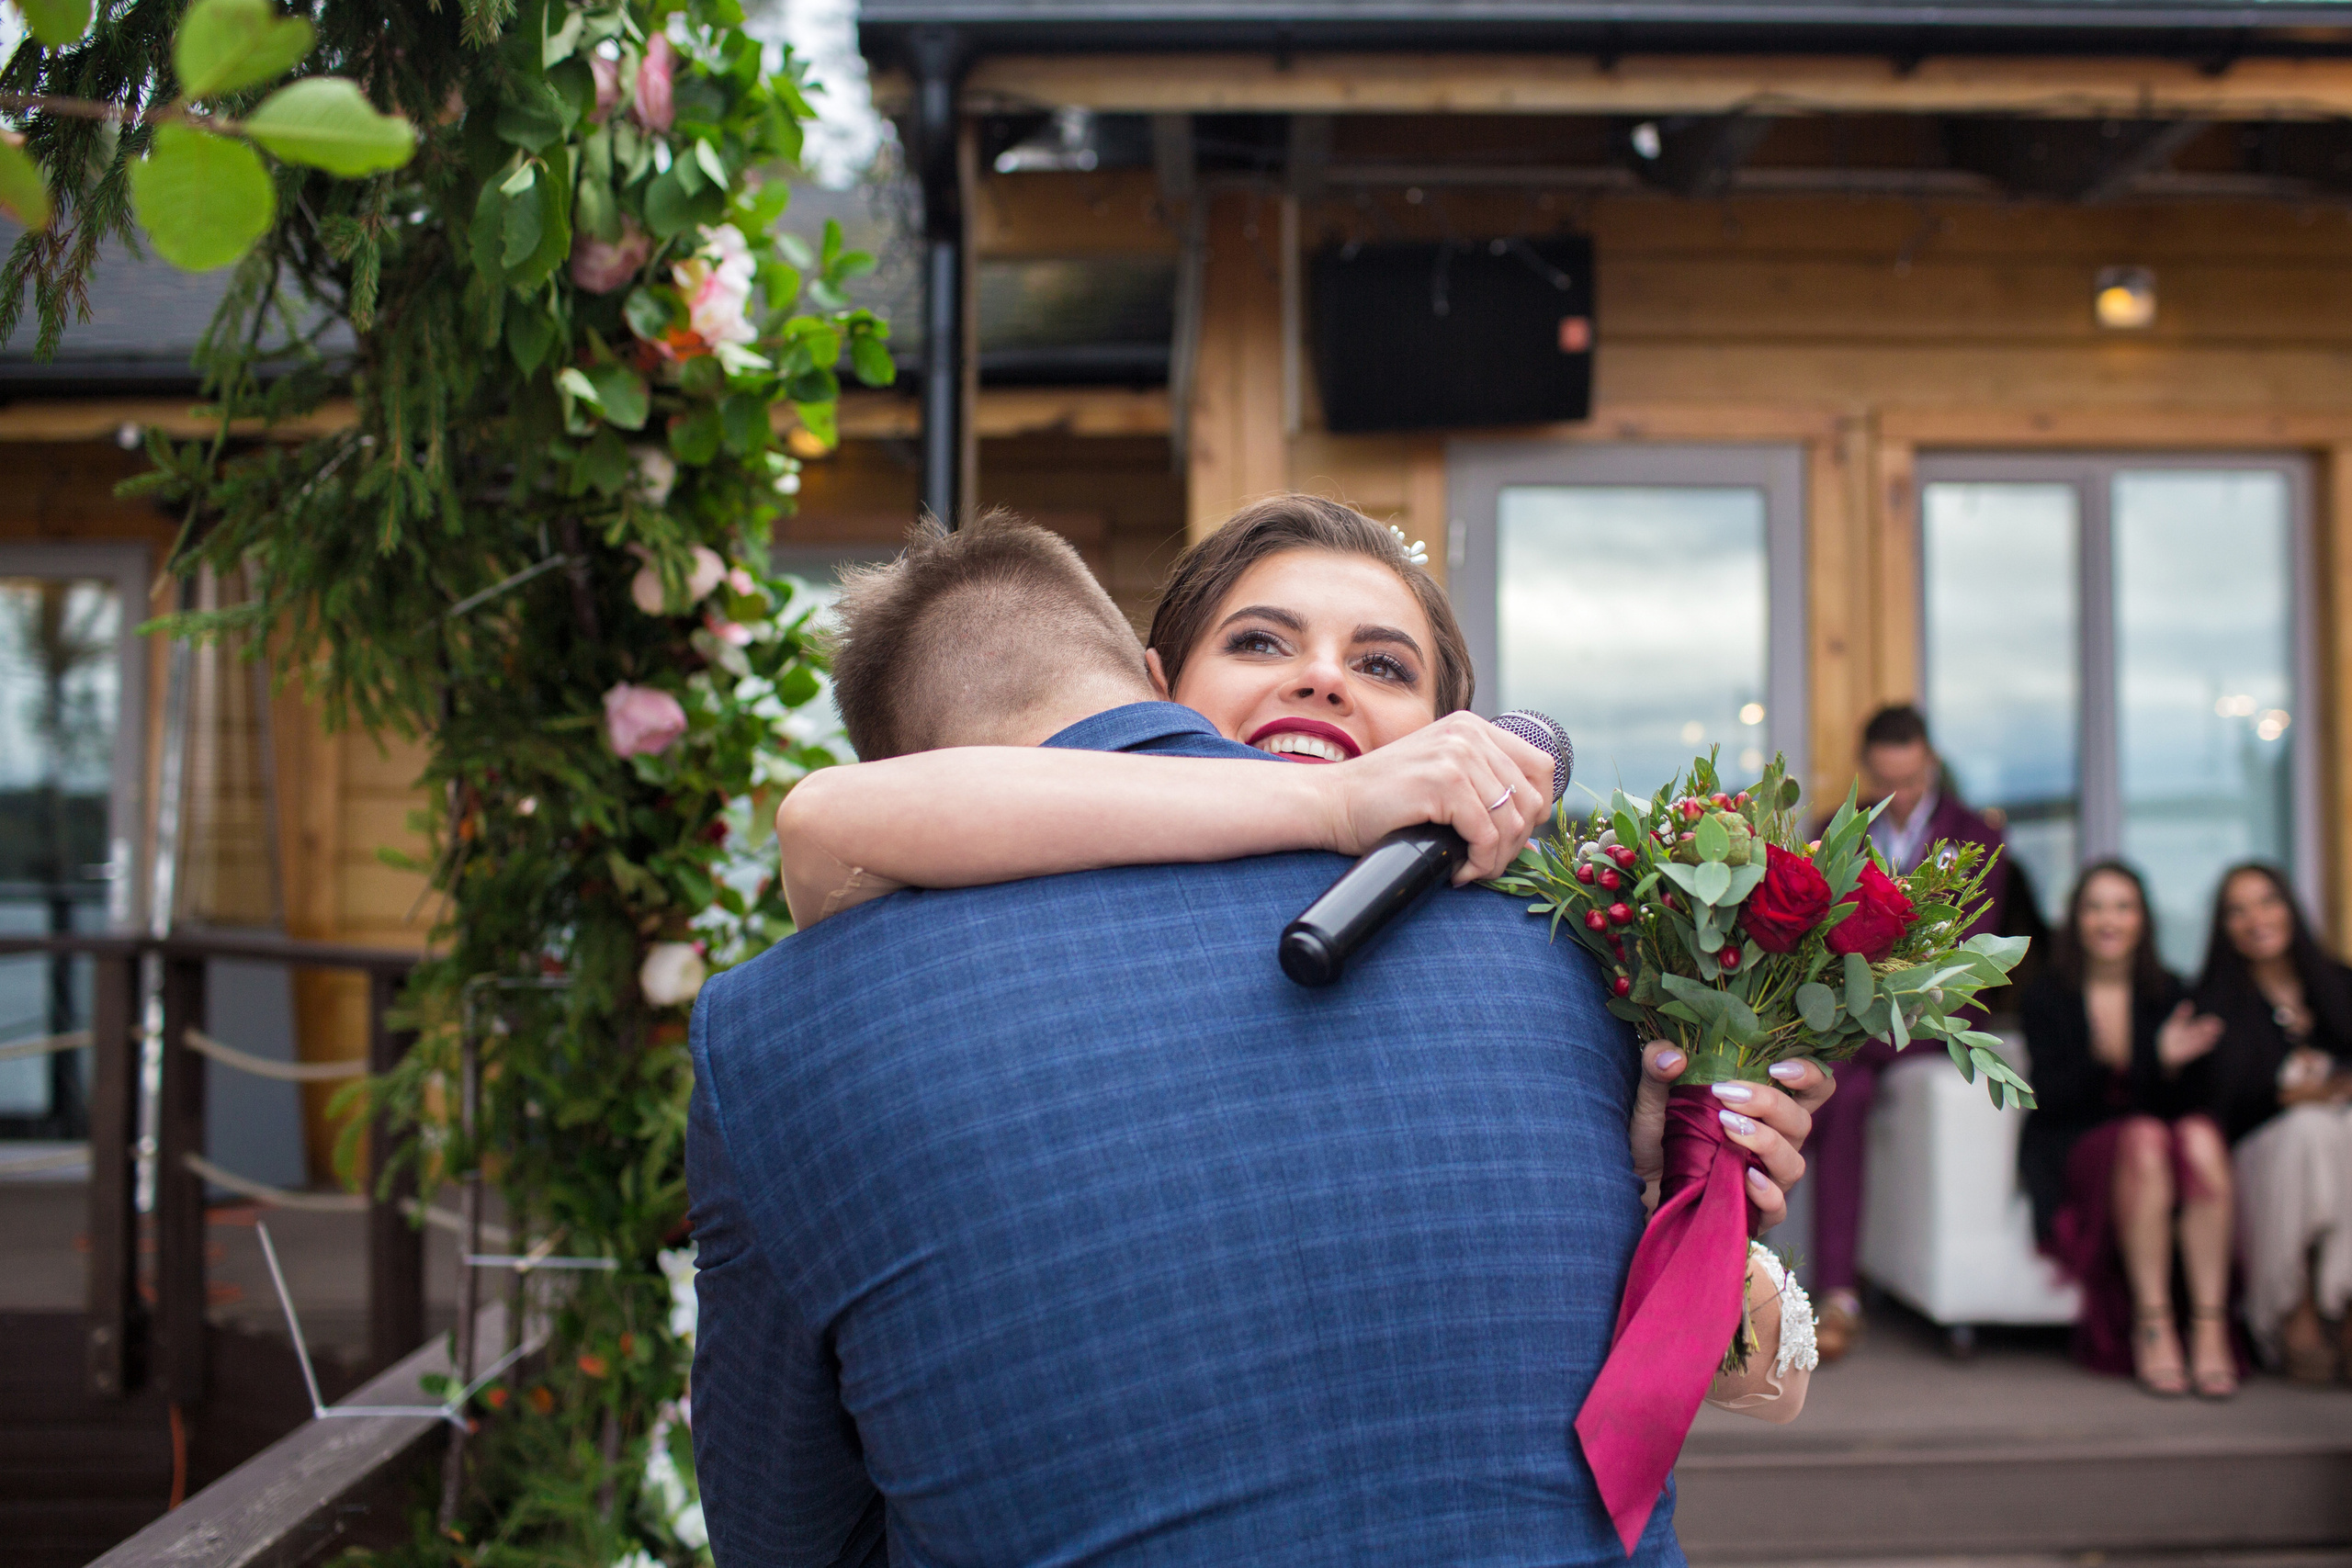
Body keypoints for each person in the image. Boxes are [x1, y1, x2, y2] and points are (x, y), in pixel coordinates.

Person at [690, 502, 1829, 1567]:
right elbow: (829, 820)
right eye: (1261, 644)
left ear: (1446, 741)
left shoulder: (1570, 951)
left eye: (1383, 665)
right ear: (1156, 688)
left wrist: (1676, 1212)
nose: (1324, 682)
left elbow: (1741, 1384)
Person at [1803, 703, 2010, 1361]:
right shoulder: (1835, 832)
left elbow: (1975, 950)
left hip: (1932, 1019)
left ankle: (1832, 1288)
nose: (1906, 793)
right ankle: (1834, 1290)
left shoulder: (1977, 835)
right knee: (1838, 1094)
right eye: (1892, 780)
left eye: (1916, 779)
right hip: (1858, 1024)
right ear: (1870, 769)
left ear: (1933, 764)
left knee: (1836, 1075)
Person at [2018, 861, 2233, 1396]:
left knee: (2198, 1137)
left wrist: (2170, 1067)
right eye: (2094, 907)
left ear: (2142, 919)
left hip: (2159, 1146)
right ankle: (2153, 1324)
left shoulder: (2173, 992)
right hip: (2079, 1147)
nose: (2108, 920)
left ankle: (2211, 1326)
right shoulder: (2047, 996)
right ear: (2076, 920)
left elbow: (2188, 1106)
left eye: (2122, 906)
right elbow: (2062, 1099)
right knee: (2143, 1139)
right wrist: (2151, 1058)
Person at [2193, 863, 2352, 1382]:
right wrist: (2291, 1098)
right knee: (2308, 1132)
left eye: (2266, 901)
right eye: (2237, 911)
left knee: (2334, 1133)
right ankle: (2295, 1306)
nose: (2255, 919)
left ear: (2289, 908)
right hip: (2263, 1157)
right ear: (2223, 927)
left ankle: (2344, 1302)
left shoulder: (2339, 984)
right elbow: (2220, 1109)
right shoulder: (2213, 1004)